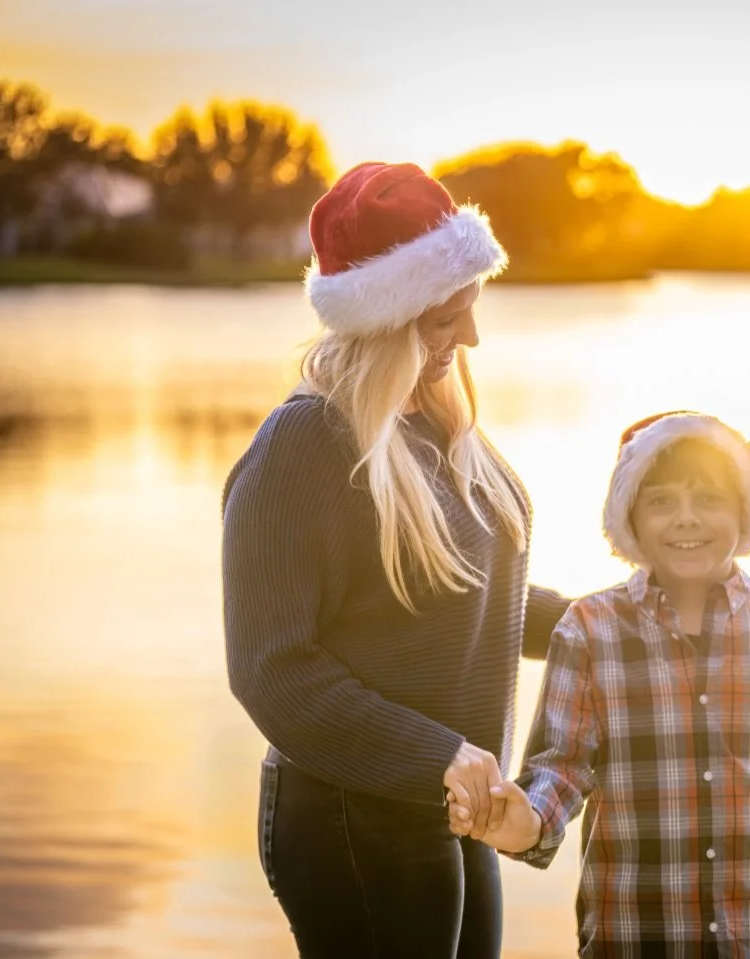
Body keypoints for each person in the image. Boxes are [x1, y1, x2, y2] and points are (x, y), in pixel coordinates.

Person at [221, 161, 570, 959]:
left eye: (471, 310)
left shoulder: (439, 426)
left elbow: (473, 594)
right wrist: (439, 754)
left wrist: (607, 621)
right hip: (351, 813)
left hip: (450, 803)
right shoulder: (305, 445)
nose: (470, 337)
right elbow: (271, 667)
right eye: (445, 319)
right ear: (385, 319)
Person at [451, 412, 750, 958]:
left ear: (745, 509)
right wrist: (525, 822)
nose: (687, 520)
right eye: (662, 502)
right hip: (631, 939)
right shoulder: (589, 629)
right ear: (630, 518)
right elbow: (562, 766)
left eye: (710, 500)